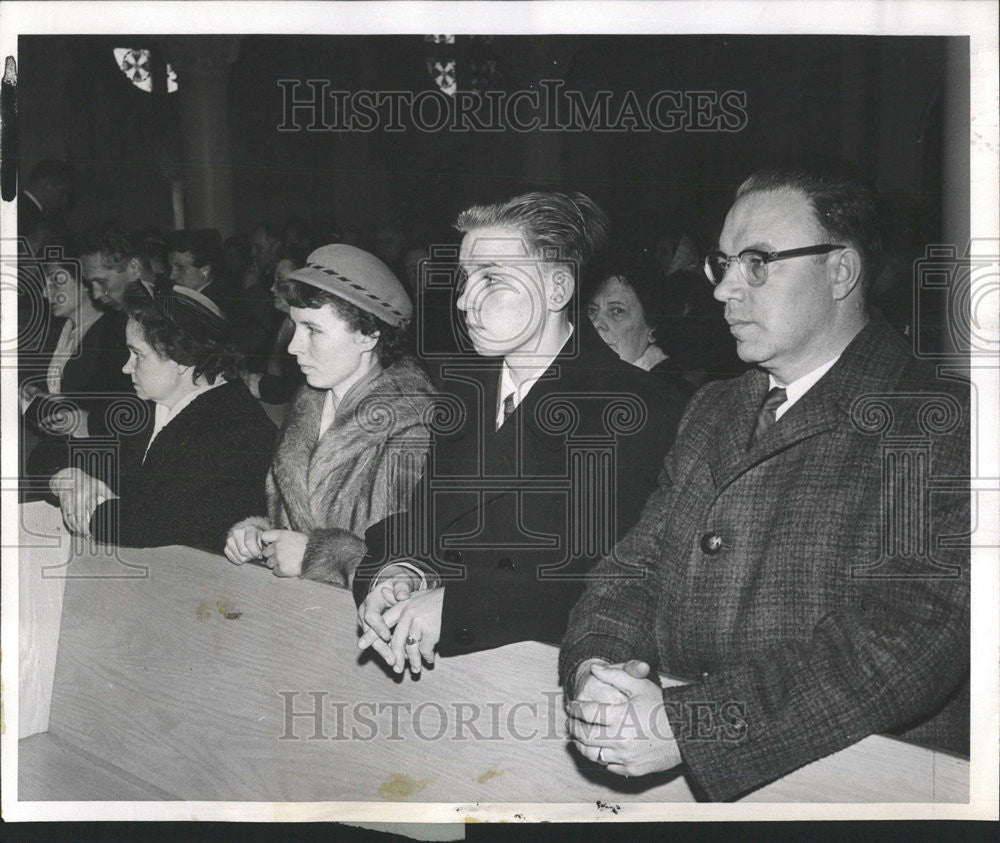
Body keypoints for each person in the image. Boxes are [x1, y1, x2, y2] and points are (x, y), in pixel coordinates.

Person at [560, 157, 969, 801]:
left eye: (758, 262)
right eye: (721, 264)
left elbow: (907, 640)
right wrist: (596, 671)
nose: (724, 289)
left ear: (840, 271)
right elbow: (632, 571)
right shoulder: (714, 409)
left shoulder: (943, 420)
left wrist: (692, 725)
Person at [353, 192, 685, 674]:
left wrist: (458, 605)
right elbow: (425, 520)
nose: (466, 301)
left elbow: (603, 572)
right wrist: (397, 571)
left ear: (556, 290)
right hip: (442, 672)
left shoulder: (641, 408)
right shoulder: (464, 393)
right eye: (467, 279)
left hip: (550, 682)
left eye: (492, 278)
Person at [223, 244, 438, 584]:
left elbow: (416, 573)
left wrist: (316, 555)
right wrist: (259, 535)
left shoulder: (415, 425)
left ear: (369, 334)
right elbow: (294, 523)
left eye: (314, 330)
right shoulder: (308, 403)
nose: (294, 347)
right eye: (294, 327)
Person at [49, 279, 275, 552]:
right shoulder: (149, 407)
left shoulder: (239, 429)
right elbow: (49, 453)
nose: (126, 367)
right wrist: (69, 478)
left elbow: (165, 523)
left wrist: (92, 511)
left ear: (181, 358)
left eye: (137, 355)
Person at [20, 259, 132, 493]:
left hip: (100, 470)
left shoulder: (117, 333)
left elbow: (123, 414)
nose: (44, 291)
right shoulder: (58, 331)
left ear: (85, 282)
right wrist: (36, 395)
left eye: (55, 280)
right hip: (60, 460)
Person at [585, 247, 695, 400]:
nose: (597, 324)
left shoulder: (673, 395)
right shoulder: (585, 380)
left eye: (617, 311)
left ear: (652, 327)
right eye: (592, 311)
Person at [241, 244, 308, 406]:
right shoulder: (283, 320)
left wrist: (262, 384)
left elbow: (301, 389)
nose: (272, 288)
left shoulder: (312, 331)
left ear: (303, 286)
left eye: (280, 280)